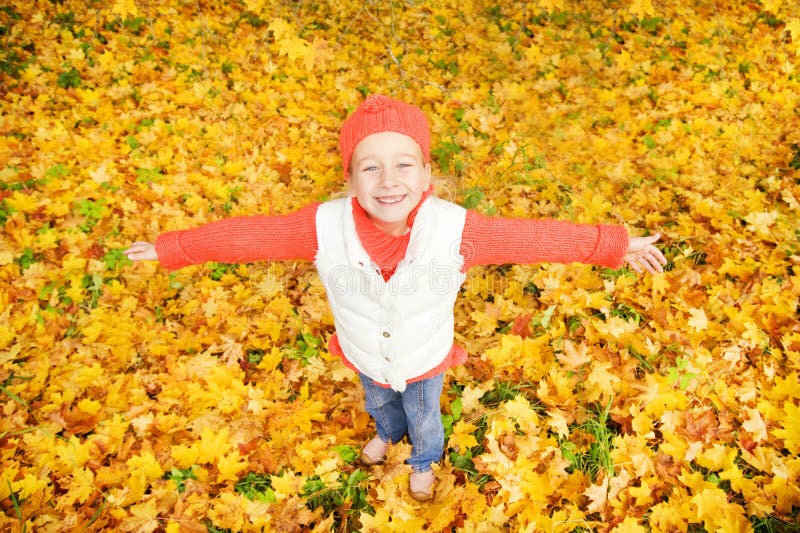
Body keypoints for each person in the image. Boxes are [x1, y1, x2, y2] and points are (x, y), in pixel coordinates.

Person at [125, 94, 666, 502]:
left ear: (427, 172)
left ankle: (424, 458)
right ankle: (386, 435)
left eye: (403, 163)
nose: (389, 180)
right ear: (351, 179)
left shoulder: (458, 231)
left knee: (424, 414)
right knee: (380, 403)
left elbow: (539, 237)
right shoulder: (321, 226)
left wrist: (612, 244)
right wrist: (173, 248)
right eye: (370, 166)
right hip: (364, 353)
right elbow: (243, 237)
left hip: (425, 357)